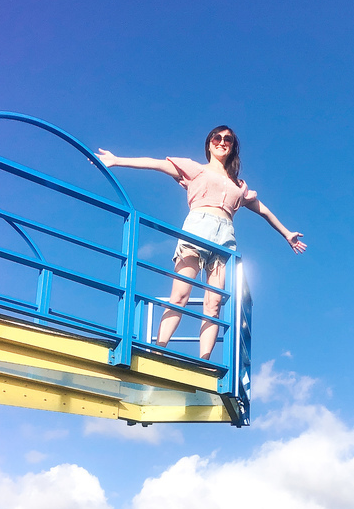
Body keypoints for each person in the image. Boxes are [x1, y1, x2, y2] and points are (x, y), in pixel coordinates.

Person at [96, 126, 306, 359]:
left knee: (214, 304)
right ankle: (157, 350)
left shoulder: (239, 186)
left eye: (228, 139)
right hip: (197, 229)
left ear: (233, 147)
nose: (222, 142)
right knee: (180, 295)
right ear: (209, 144)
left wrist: (286, 233)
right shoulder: (195, 169)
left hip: (225, 238)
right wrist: (116, 160)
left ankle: (204, 361)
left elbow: (263, 209)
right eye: (217, 137)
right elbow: (155, 164)